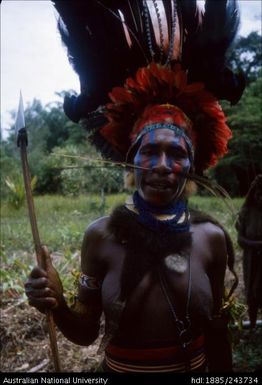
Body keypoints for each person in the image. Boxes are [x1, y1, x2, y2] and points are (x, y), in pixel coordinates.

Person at [25, 0, 243, 373]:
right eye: (150, 151)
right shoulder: (101, 236)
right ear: (131, 160)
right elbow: (85, 333)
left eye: (175, 152)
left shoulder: (211, 238)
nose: (162, 165)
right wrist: (57, 303)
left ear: (192, 164)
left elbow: (218, 333)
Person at [236, 175, 262, 328]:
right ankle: (252, 325)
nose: (261, 198)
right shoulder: (246, 212)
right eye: (259, 194)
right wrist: (256, 244)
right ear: (254, 194)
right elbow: (240, 239)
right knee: (252, 293)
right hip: (251, 259)